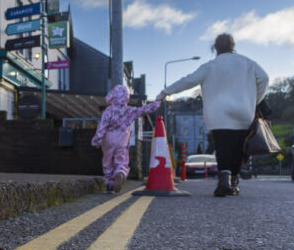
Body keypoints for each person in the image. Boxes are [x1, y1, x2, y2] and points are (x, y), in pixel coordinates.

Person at [157, 34, 268, 197]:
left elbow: (188, 81)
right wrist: (254, 100)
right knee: (238, 147)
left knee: (222, 145)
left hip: (218, 112)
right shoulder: (248, 63)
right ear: (233, 45)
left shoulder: (210, 66)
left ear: (215, 47)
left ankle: (224, 181)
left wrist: (164, 93)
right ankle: (234, 182)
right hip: (243, 111)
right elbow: (264, 78)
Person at [92, 85, 161, 193]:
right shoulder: (129, 110)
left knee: (107, 161)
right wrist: (156, 104)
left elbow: (102, 125)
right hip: (122, 138)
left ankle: (109, 184)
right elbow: (143, 110)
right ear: (126, 97)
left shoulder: (109, 110)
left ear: (113, 96)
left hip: (109, 138)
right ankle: (120, 173)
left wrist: (97, 139)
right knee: (121, 160)